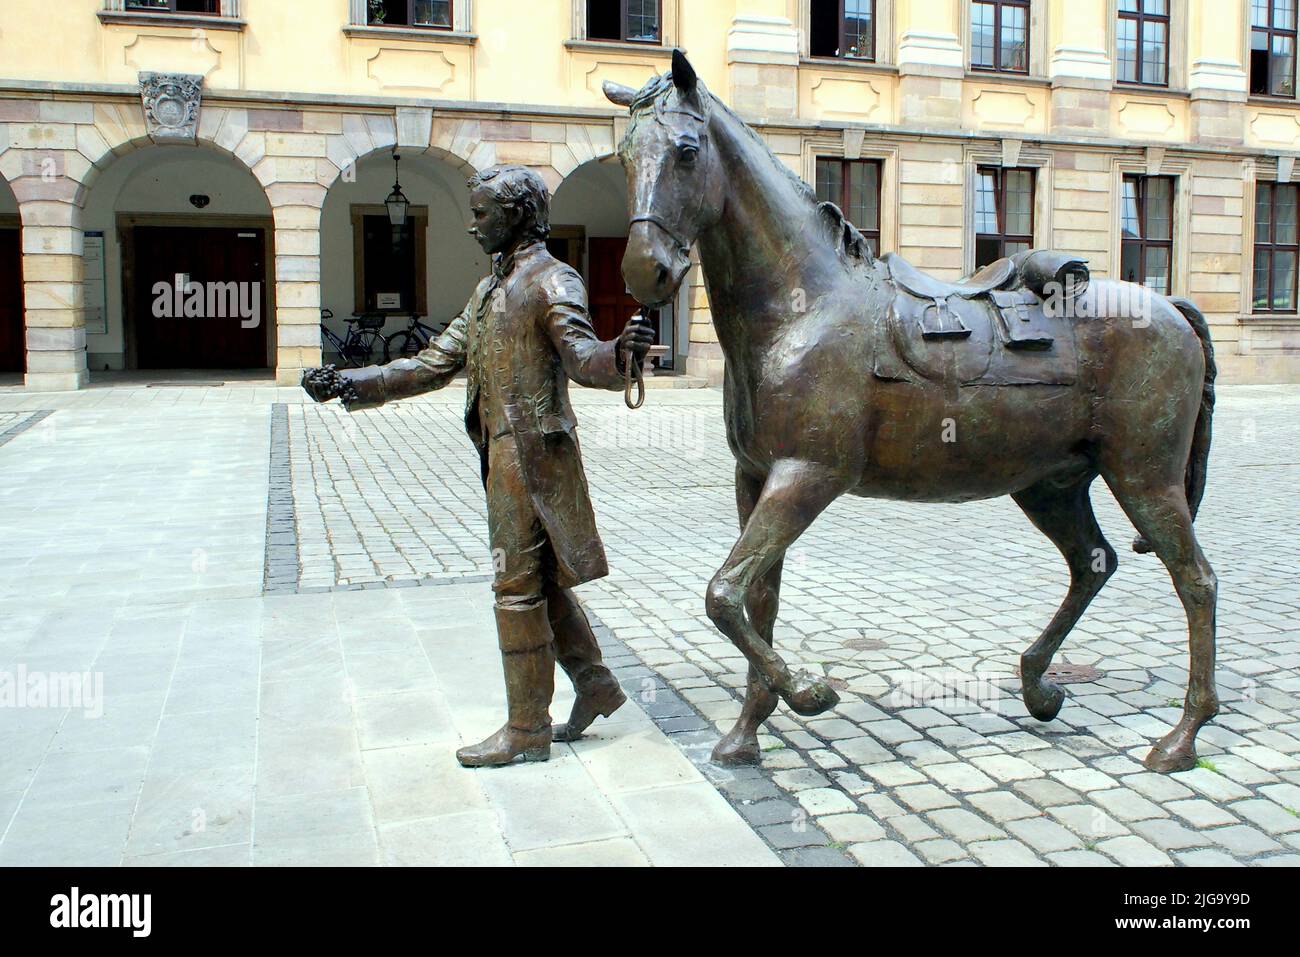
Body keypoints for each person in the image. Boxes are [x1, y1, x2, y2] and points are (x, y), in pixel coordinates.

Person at [302, 164, 654, 767]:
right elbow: (433, 363)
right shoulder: (490, 289)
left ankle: (526, 729)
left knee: (515, 587)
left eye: (483, 213)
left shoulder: (552, 281)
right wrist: (350, 382)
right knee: (541, 580)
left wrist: (619, 357)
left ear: (515, 216)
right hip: (501, 451)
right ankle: (595, 687)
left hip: (532, 456)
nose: (472, 225)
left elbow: (581, 356)